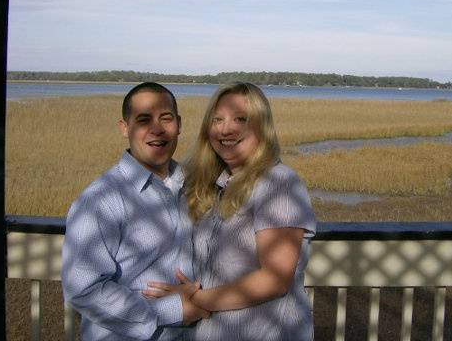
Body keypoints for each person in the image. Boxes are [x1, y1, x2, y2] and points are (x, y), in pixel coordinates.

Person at [143, 82, 316, 340]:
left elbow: (274, 279)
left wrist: (196, 299)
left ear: (262, 126)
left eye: (240, 119)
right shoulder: (216, 184)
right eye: (217, 119)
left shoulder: (279, 183)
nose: (226, 129)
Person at [61, 82, 208, 341]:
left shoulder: (191, 185)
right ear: (124, 128)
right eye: (143, 119)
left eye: (166, 118)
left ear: (179, 124)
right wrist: (173, 310)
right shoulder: (100, 200)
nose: (157, 129)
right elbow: (83, 289)